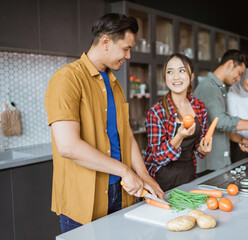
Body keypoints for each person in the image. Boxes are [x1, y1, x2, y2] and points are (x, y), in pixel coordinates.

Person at [45, 13, 163, 233]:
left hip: (121, 192)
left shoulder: (115, 84)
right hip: (83, 200)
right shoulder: (66, 79)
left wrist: (144, 175)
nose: (128, 55)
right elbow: (68, 146)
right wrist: (126, 171)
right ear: (106, 41)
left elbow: (125, 135)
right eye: (126, 48)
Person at [193, 49, 248, 173]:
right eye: (239, 73)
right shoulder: (209, 87)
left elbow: (221, 128)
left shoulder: (219, 88)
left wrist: (240, 139)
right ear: (229, 64)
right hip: (209, 163)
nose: (238, 79)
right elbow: (220, 121)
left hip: (218, 161)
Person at [144, 53, 212, 192]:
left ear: (191, 76)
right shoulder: (157, 112)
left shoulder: (199, 107)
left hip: (189, 171)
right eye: (170, 72)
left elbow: (198, 144)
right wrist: (179, 137)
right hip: (162, 175)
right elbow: (158, 157)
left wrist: (203, 149)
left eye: (181, 71)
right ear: (165, 78)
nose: (176, 77)